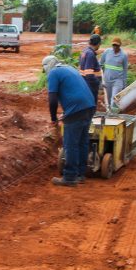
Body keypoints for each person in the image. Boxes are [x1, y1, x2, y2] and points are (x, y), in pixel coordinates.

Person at [42, 55, 95, 187]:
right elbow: (74, 91)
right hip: (89, 106)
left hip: (77, 110)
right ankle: (81, 175)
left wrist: (53, 119)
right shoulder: (69, 68)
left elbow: (52, 99)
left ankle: (70, 177)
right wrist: (66, 114)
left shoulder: (54, 73)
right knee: (82, 142)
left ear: (47, 66)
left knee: (71, 145)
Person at [100, 37, 129, 109]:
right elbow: (100, 63)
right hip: (107, 80)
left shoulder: (124, 55)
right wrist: (100, 79)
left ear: (120, 46)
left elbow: (125, 70)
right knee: (109, 100)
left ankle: (113, 114)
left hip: (117, 80)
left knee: (114, 99)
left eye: (117, 45)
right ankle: (110, 114)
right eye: (114, 45)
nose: (115, 47)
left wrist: (124, 84)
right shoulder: (107, 52)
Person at [78, 34, 102, 107]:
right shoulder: (90, 54)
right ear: (98, 44)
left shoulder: (85, 51)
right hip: (91, 86)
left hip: (84, 84)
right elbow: (89, 74)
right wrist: (98, 83)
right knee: (91, 106)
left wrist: (95, 53)